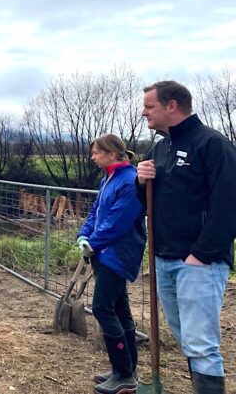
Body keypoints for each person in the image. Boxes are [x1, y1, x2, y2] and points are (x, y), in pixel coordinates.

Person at [137, 80, 236, 393]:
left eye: (149, 106)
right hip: (164, 259)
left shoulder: (211, 144)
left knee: (201, 345)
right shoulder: (160, 147)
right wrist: (142, 182)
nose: (144, 113)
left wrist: (202, 255)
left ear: (172, 106)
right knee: (186, 340)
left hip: (198, 263)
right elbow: (149, 205)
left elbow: (228, 204)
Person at [76, 135, 145, 394]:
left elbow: (118, 221)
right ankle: (126, 369)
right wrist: (83, 235)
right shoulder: (110, 178)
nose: (93, 157)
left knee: (103, 308)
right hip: (105, 252)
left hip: (118, 254)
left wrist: (93, 242)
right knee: (120, 309)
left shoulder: (129, 181)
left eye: (96, 153)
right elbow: (96, 212)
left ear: (113, 153)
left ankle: (124, 374)